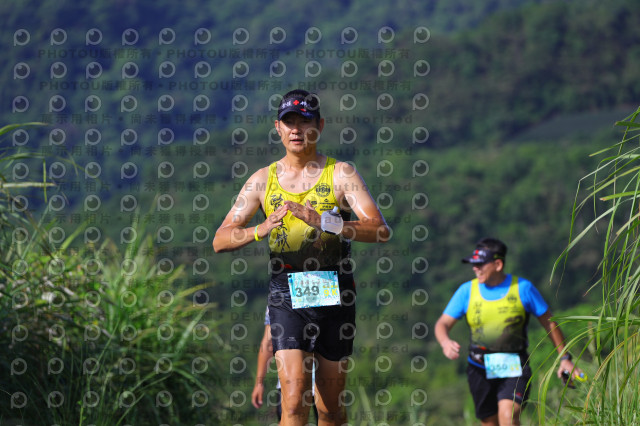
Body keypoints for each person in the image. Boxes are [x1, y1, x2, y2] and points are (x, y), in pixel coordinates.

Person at [213, 89, 390, 426]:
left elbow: (380, 230)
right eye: (289, 122)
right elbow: (220, 240)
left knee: (329, 408)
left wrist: (326, 222)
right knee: (293, 402)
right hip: (286, 293)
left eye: (304, 121)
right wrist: (259, 229)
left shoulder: (341, 174)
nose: (296, 129)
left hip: (336, 290)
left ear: (319, 126)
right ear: (277, 128)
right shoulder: (261, 181)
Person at [434, 237, 583, 426]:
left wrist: (565, 358)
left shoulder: (523, 288)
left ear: (498, 264)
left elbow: (550, 324)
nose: (475, 268)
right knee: (489, 422)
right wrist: (445, 342)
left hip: (515, 366)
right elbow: (442, 324)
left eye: (480, 264)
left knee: (509, 416)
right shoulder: (467, 291)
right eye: (473, 264)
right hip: (479, 368)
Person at [252, 307, 318, 424]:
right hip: (289, 382)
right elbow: (268, 342)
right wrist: (259, 382)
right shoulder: (277, 299)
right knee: (289, 416)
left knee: (328, 417)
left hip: (322, 380)